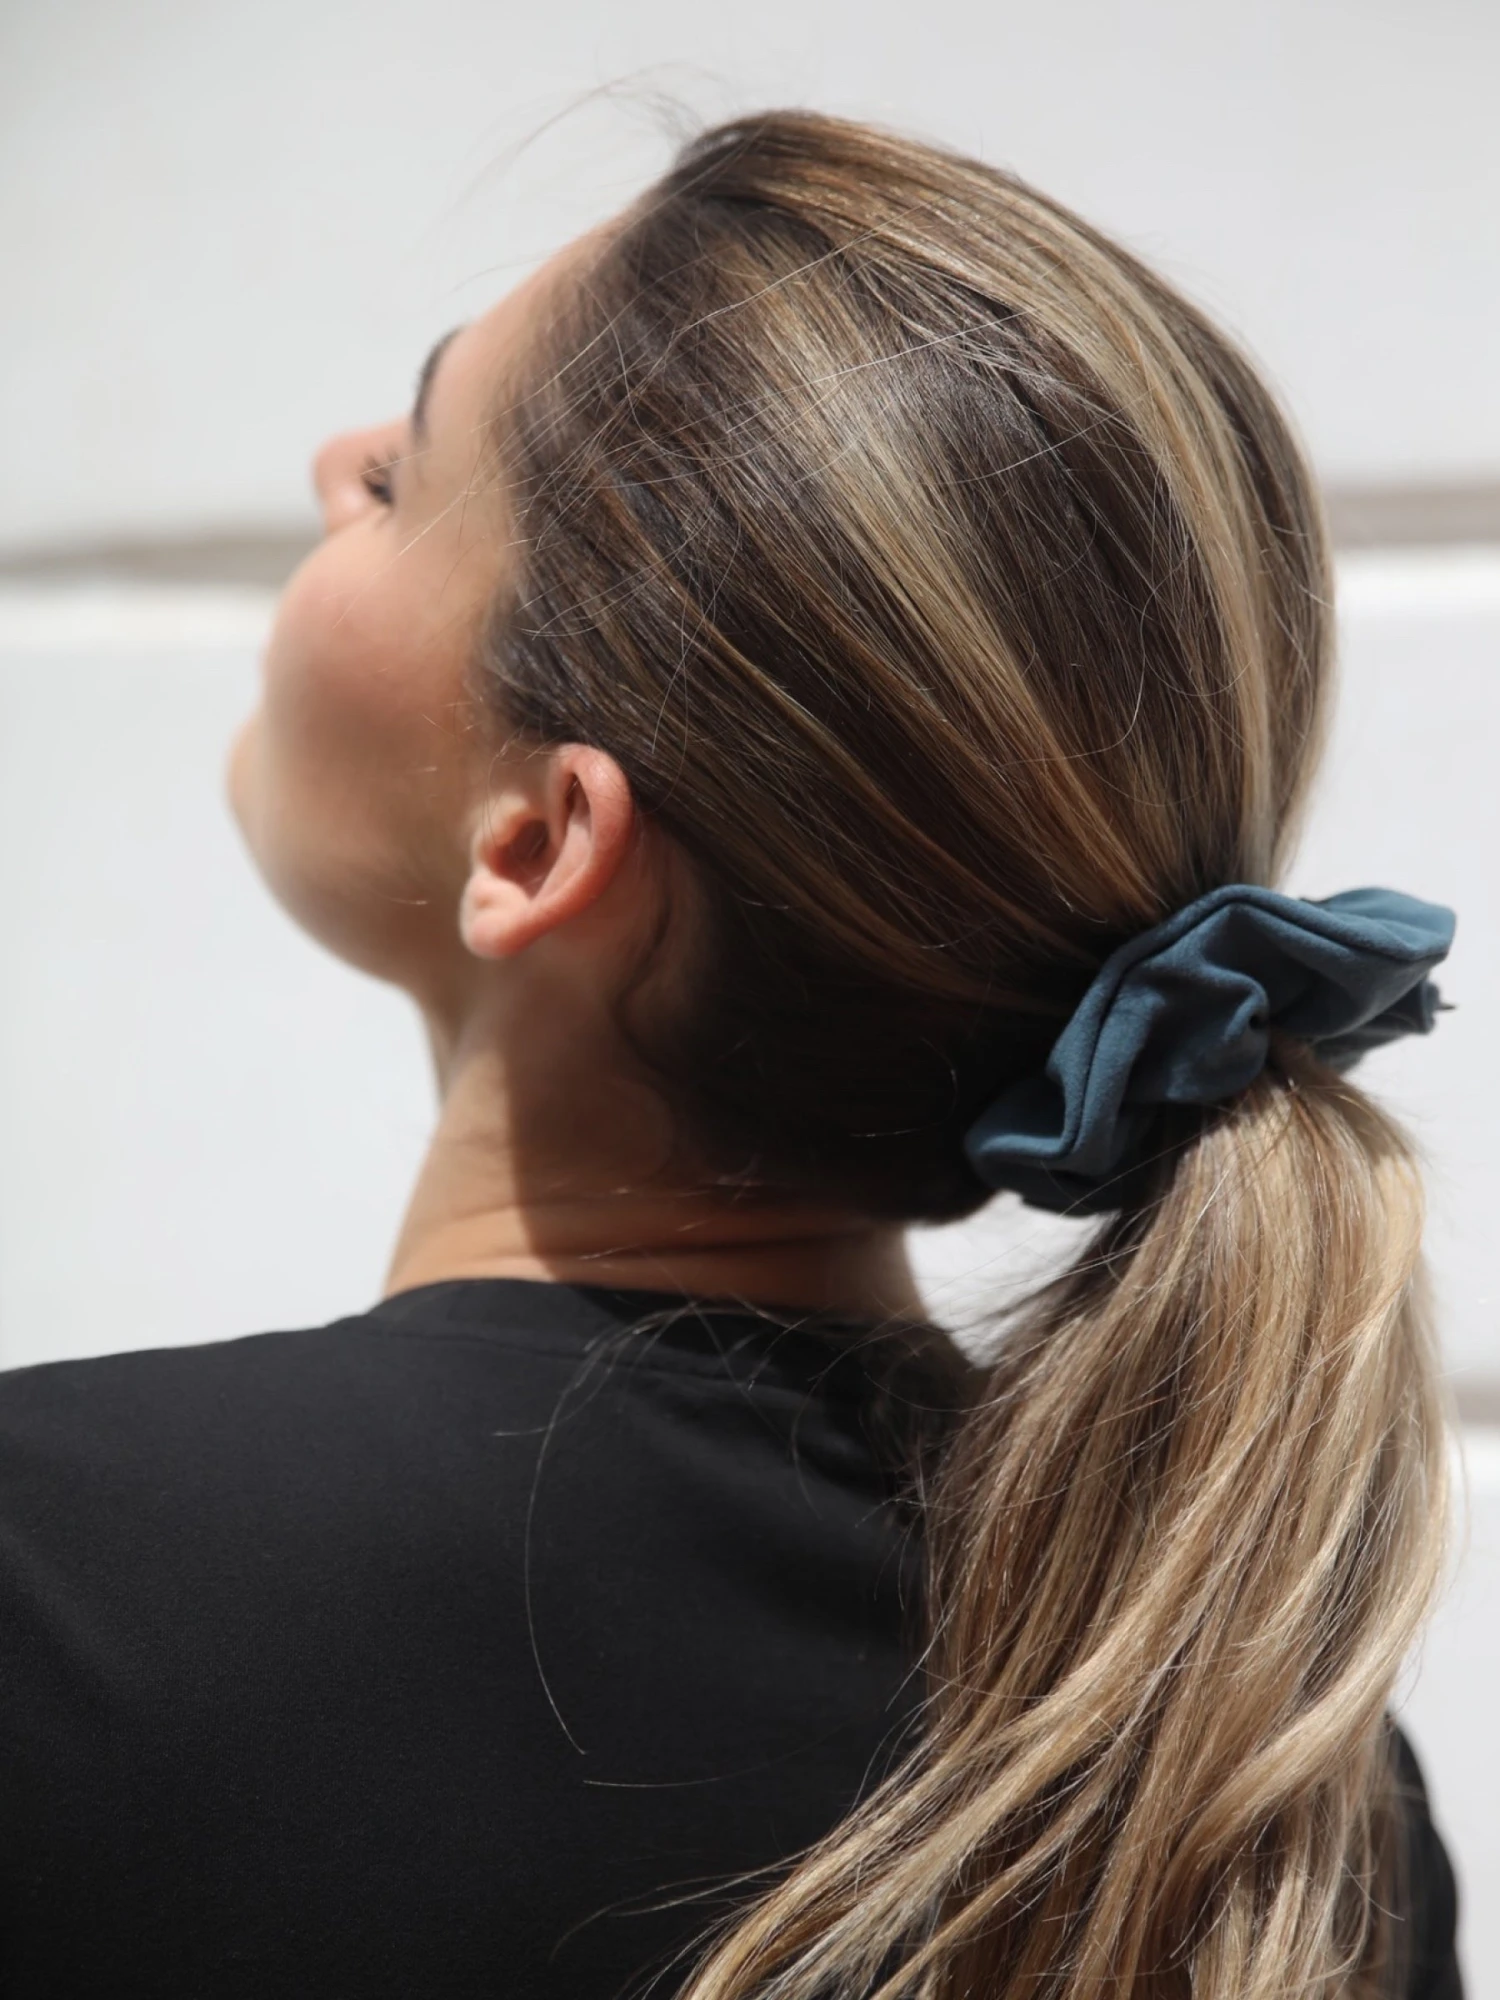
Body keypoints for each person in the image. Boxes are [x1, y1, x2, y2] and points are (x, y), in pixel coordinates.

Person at [0, 109, 1463, 1999]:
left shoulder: (65, 1592)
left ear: (540, 842)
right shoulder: (1264, 1783)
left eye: (407, 466)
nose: (332, 460)